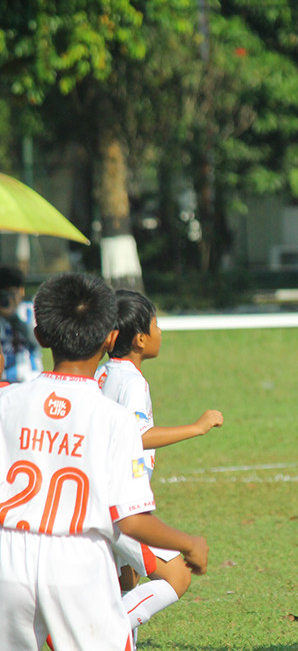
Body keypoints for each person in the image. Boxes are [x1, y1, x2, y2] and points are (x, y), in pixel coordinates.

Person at [0, 272, 208, 651]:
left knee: (126, 580)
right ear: (110, 337)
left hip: (7, 558)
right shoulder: (114, 420)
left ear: (41, 336)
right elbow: (130, 519)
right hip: (77, 560)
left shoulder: (8, 403)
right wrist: (188, 543)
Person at [95, 289, 224, 637]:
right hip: (120, 504)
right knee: (176, 576)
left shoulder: (103, 373)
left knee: (125, 580)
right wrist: (197, 428)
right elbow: (136, 435)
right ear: (139, 339)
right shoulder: (133, 382)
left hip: (99, 496)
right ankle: (98, 634)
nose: (160, 332)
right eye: (156, 325)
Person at [0, 266, 43, 383]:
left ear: (21, 291)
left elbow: (38, 341)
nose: (8, 299)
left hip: (30, 378)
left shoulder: (31, 311)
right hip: (4, 381)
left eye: (11, 293)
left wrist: (14, 318)